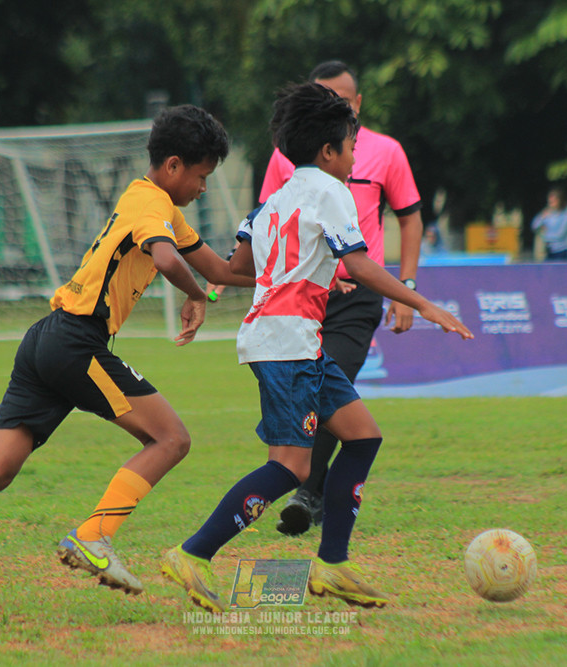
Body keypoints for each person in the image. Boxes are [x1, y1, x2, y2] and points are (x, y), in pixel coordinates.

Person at [0, 105, 255, 627]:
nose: (203, 188)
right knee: (171, 439)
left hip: (45, 340)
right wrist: (196, 296)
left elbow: (221, 268)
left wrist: (275, 278)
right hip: (77, 343)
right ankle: (93, 536)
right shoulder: (151, 205)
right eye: (201, 176)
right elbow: (169, 261)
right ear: (174, 166)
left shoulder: (156, 206)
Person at [160, 82, 473, 612]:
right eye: (350, 147)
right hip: (287, 344)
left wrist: (309, 271)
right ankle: (193, 554)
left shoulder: (276, 199)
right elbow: (358, 261)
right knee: (291, 468)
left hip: (289, 340)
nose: (354, 157)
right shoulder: (332, 192)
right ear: (328, 152)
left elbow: (240, 269)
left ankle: (332, 566)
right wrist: (423, 304)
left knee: (362, 437)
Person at [256, 60, 427, 537]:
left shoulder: (386, 152)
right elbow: (270, 222)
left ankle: (307, 493)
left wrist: (407, 290)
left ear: (358, 102)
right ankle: (296, 488)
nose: (334, 103)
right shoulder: (290, 155)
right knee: (323, 403)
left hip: (357, 295)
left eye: (342, 97)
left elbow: (410, 218)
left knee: (335, 390)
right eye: (322, 94)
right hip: (304, 296)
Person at [531, 188, 567, 261]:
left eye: (553, 201)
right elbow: (534, 226)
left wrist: (546, 236)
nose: (550, 204)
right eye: (550, 202)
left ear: (559, 201)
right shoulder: (548, 215)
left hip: (561, 251)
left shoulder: (566, 215)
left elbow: (560, 234)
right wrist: (542, 217)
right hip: (549, 251)